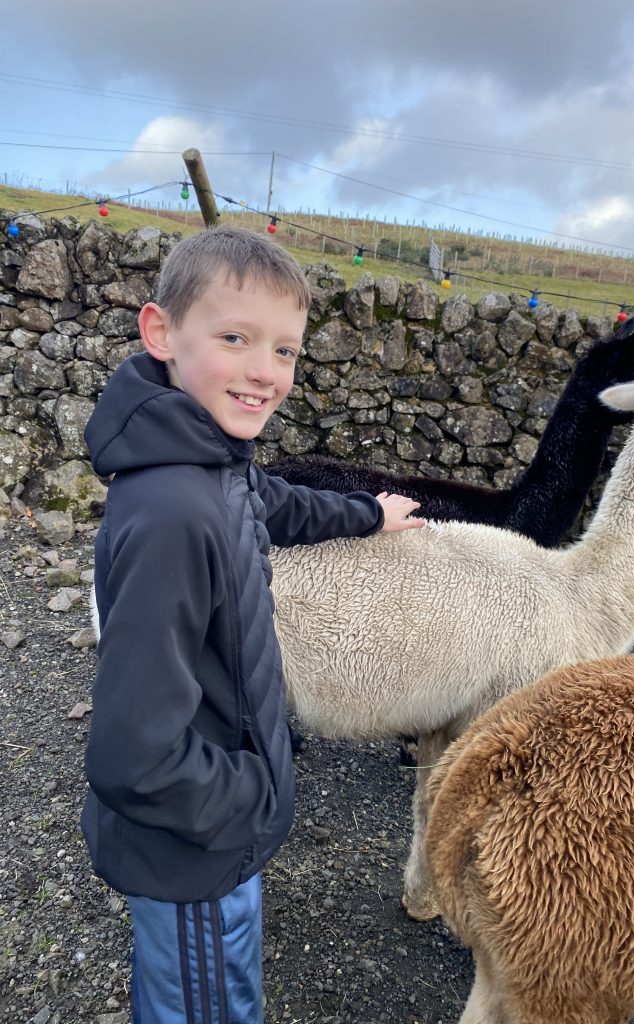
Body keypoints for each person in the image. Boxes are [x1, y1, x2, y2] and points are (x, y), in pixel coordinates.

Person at [82, 225, 425, 1024]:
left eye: (286, 352)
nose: (265, 373)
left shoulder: (211, 460)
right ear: (160, 331)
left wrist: (366, 514)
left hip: (209, 832)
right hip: (195, 850)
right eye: (236, 339)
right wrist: (251, 797)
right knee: (208, 1008)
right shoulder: (174, 513)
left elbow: (274, 502)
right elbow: (132, 754)